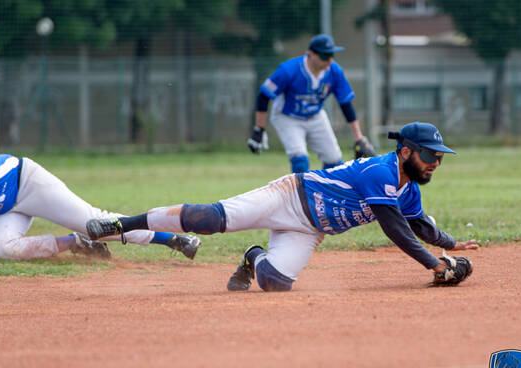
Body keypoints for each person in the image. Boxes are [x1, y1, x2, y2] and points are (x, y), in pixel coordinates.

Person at [87, 122, 479, 292]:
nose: (436, 162)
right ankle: (122, 223)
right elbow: (395, 230)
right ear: (406, 151)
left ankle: (253, 256)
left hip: (310, 229)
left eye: (440, 156)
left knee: (275, 283)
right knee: (208, 219)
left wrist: (449, 244)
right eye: (430, 154)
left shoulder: (408, 189)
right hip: (289, 196)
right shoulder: (381, 172)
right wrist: (433, 264)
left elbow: (418, 225)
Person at [0, 136, 200, 263]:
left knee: (94, 221)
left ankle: (172, 237)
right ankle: (74, 243)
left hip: (26, 183)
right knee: (2, 252)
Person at [247, 34, 376, 173]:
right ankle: (301, 194)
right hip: (287, 116)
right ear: (311, 54)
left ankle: (327, 193)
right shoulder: (289, 70)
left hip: (315, 115)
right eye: (324, 56)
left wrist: (358, 137)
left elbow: (345, 104)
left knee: (334, 162)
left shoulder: (334, 71)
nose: (329, 60)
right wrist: (259, 129)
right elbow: (264, 95)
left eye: (331, 55)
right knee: (300, 161)